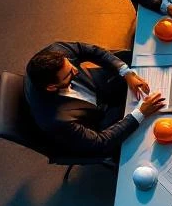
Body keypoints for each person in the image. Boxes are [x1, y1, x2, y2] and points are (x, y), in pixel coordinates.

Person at [24, 41, 164, 156]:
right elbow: (100, 143)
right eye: (69, 73)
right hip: (96, 120)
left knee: (130, 62)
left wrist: (126, 73)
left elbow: (91, 51)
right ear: (51, 87)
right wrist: (140, 113)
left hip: (96, 86)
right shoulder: (56, 120)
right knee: (147, 132)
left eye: (71, 65)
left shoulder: (57, 53)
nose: (76, 70)